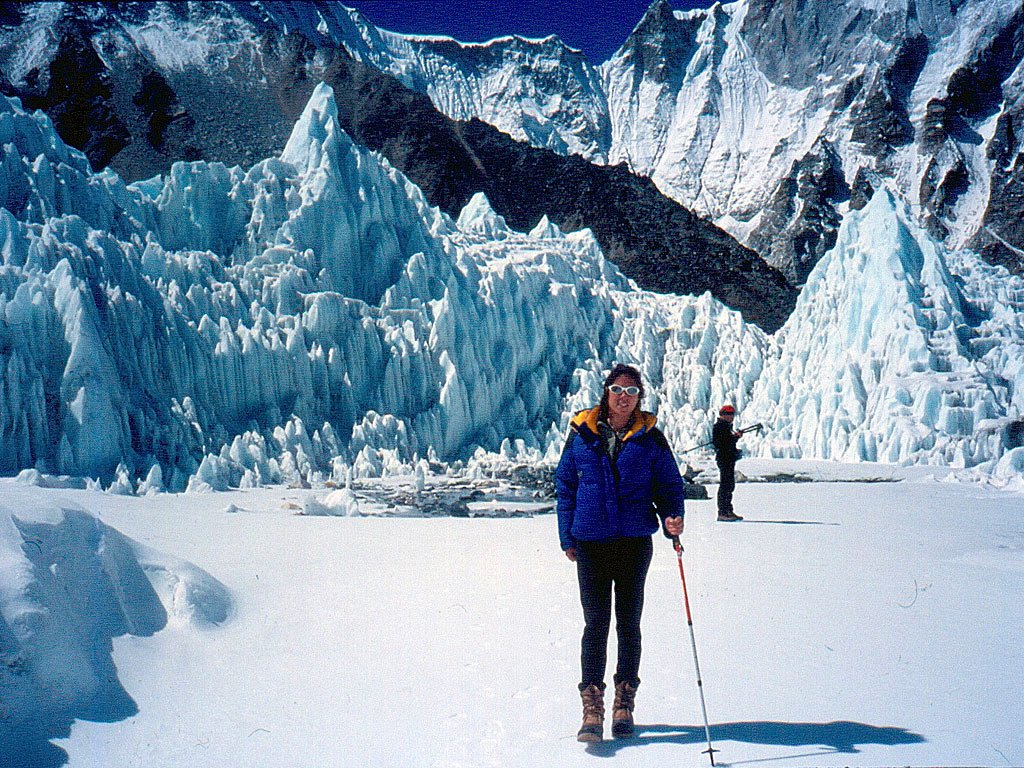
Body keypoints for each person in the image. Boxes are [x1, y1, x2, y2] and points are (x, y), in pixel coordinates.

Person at [555, 363, 685, 742]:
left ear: (640, 396)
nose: (624, 397)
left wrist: (673, 518)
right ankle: (592, 706)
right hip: (592, 543)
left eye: (631, 391)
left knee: (628, 623)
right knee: (595, 624)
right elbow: (565, 486)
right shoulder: (582, 435)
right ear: (606, 392)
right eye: (617, 389)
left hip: (632, 544)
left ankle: (623, 704)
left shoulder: (651, 438)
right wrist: (567, 536)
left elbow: (669, 485)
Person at [712, 404, 744, 521]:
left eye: (732, 414)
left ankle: (728, 511)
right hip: (724, 459)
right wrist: (734, 437)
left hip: (728, 459)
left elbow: (726, 441)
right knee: (726, 485)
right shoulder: (720, 427)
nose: (731, 417)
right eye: (729, 414)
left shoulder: (726, 427)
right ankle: (723, 512)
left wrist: (734, 437)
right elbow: (721, 443)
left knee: (729, 485)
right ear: (723, 415)